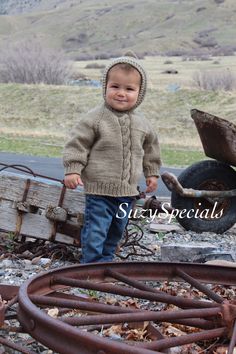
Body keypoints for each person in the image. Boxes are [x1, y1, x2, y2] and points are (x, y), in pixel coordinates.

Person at [63, 53, 161, 263]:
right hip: (100, 190)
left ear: (140, 93)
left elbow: (151, 148)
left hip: (127, 192)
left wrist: (152, 173)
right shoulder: (95, 118)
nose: (121, 94)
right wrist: (73, 168)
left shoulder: (143, 123)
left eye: (129, 89)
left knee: (117, 228)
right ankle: (90, 263)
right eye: (115, 87)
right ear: (105, 87)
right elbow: (77, 143)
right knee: (96, 228)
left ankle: (106, 260)